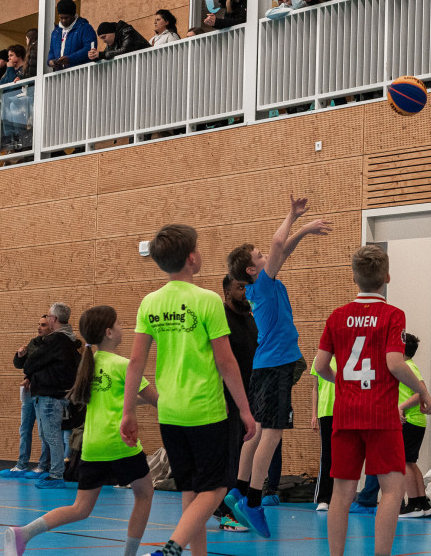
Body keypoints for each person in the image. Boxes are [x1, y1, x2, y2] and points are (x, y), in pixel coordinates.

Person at [120, 224, 256, 556]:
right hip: (206, 411)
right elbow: (226, 362)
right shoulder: (207, 300)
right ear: (192, 258)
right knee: (218, 487)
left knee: (191, 490)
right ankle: (172, 547)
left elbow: (135, 363)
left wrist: (128, 411)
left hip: (169, 412)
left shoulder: (150, 303)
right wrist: (244, 408)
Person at [4, 306, 159, 556]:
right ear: (109, 332)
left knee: (80, 508)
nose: (122, 328)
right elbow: (156, 400)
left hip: (92, 445)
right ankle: (129, 555)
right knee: (145, 493)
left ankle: (24, 533)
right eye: (119, 324)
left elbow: (116, 399)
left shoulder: (87, 365)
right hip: (120, 443)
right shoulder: (124, 365)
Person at [313, 244, 431, 556]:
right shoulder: (392, 315)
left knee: (341, 493)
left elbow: (319, 367)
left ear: (355, 278)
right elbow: (395, 362)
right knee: (392, 490)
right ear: (387, 277)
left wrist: (342, 382)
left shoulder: (337, 316)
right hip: (381, 415)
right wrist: (422, 391)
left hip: (346, 414)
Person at [223, 194, 333, 538]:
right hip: (274, 367)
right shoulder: (264, 284)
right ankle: (253, 501)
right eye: (259, 257)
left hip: (267, 367)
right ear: (253, 270)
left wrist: (302, 230)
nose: (266, 255)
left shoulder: (262, 284)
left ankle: (239, 489)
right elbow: (277, 244)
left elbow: (281, 251)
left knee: (256, 433)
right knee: (270, 434)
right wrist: (292, 215)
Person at [20, 303, 82, 489]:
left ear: (54, 319)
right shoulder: (69, 341)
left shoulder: (56, 340)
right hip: (56, 394)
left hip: (49, 394)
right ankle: (55, 472)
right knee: (51, 434)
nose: (46, 320)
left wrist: (30, 368)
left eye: (47, 317)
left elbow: (31, 362)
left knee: (52, 435)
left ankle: (56, 474)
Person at [213, 274, 257, 533]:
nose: (245, 292)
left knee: (246, 455)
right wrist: (221, 395)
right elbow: (217, 360)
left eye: (247, 287)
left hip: (251, 397)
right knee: (230, 455)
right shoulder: (220, 318)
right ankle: (223, 512)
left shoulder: (250, 318)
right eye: (240, 288)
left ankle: (240, 506)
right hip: (227, 398)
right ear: (226, 291)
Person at [0, 316, 54, 479]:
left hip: (44, 391)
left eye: (43, 325)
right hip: (29, 392)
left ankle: (43, 466)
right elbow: (23, 365)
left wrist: (30, 377)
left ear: (51, 327)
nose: (39, 327)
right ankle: (21, 464)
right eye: (38, 324)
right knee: (24, 428)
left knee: (44, 432)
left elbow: (44, 367)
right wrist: (20, 356)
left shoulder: (53, 345)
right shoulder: (33, 343)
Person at [396, 332, 431, 518]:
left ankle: (413, 504)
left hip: (409, 421)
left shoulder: (408, 367)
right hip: (414, 421)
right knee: (410, 462)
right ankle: (421, 502)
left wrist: (401, 406)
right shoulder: (408, 367)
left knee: (404, 463)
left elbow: (422, 392)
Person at [310, 357, 336, 512]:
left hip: (345, 411)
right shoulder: (319, 359)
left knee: (343, 456)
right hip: (326, 412)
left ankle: (339, 497)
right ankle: (323, 498)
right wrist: (314, 414)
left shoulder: (345, 356)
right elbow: (315, 387)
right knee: (327, 455)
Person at [47, 0, 97, 72]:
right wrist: (50, 62)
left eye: (67, 18)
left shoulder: (85, 28)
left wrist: (69, 59)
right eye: (61, 17)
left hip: (81, 73)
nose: (63, 20)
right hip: (60, 77)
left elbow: (89, 49)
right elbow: (51, 52)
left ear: (73, 15)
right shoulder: (55, 33)